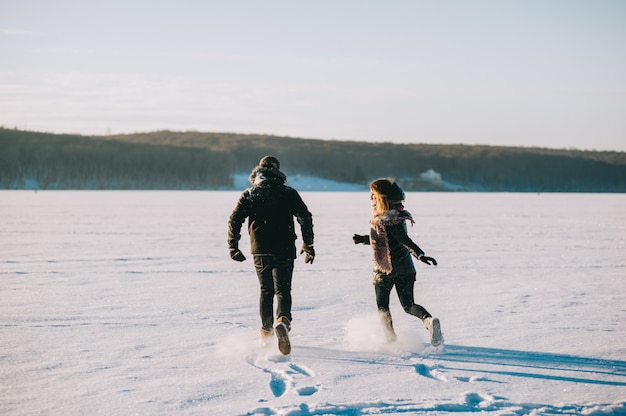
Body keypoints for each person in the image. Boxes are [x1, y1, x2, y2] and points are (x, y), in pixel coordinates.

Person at [228, 155, 315, 355]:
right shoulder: (288, 192)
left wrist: (233, 246)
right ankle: (283, 320)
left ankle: (266, 333)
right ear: (278, 171)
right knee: (283, 289)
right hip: (284, 248)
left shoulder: (250, 194)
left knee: (266, 290)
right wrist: (308, 243)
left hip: (259, 249)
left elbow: (234, 220)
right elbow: (305, 217)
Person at [353, 178, 443, 347]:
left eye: (372, 195)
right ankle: (428, 320)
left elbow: (403, 240)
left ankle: (391, 341)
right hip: (405, 269)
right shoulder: (396, 216)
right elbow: (387, 239)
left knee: (382, 307)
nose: (370, 198)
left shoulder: (387, 219)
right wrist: (364, 239)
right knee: (408, 305)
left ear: (380, 198)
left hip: (384, 270)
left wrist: (421, 254)